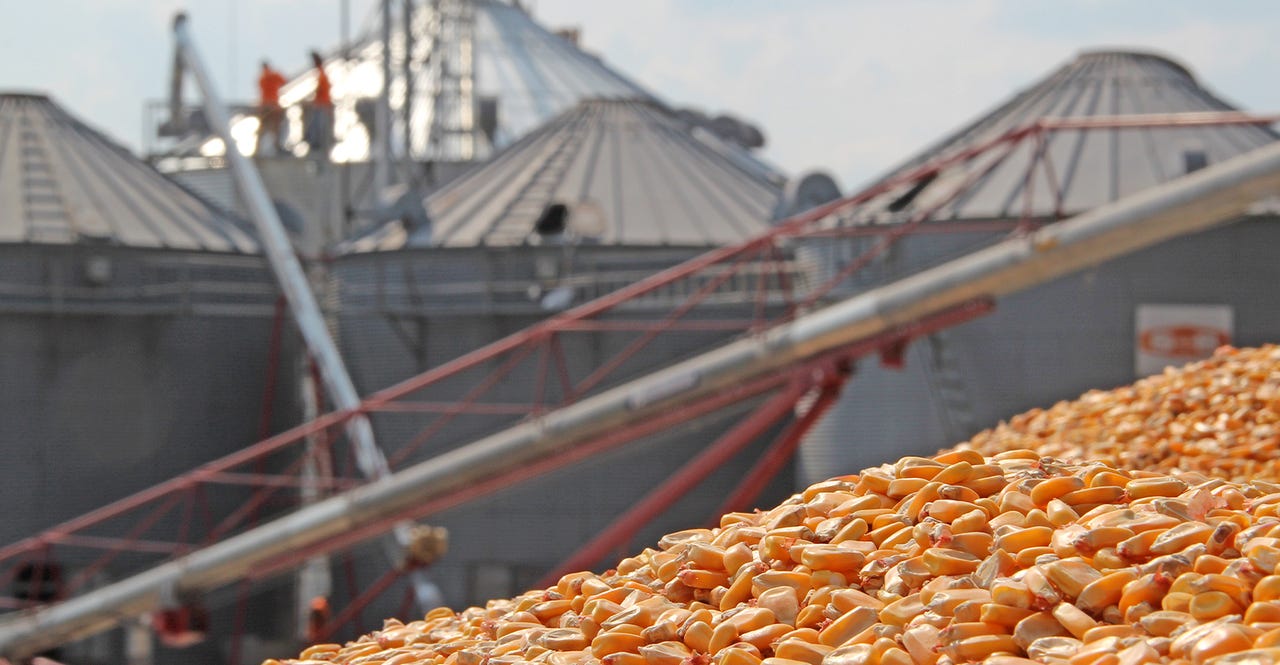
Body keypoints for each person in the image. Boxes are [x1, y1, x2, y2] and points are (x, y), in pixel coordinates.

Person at [304, 50, 334, 159]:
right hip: (321, 105)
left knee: (318, 128)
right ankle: (314, 144)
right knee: (316, 127)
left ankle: (316, 146)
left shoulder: (321, 75)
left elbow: (320, 90)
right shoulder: (322, 74)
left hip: (322, 106)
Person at [256, 60, 287, 154]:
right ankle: (277, 147)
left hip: (265, 105)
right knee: (276, 128)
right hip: (274, 105)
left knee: (262, 129)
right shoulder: (275, 75)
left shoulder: (261, 77)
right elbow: (284, 81)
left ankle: (258, 149)